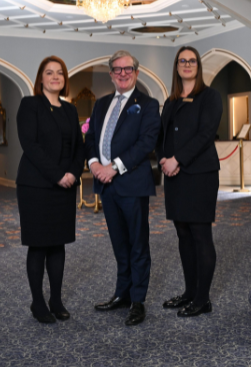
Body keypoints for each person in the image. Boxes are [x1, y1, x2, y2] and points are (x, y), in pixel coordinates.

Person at [85, 50, 160, 326]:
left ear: (136, 73)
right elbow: (91, 137)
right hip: (106, 187)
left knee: (137, 245)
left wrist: (113, 167)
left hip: (131, 184)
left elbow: (146, 143)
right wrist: (94, 164)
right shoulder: (101, 103)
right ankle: (123, 294)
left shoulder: (148, 104)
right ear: (111, 75)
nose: (123, 74)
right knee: (119, 244)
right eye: (117, 70)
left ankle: (138, 301)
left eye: (128, 69)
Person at [16, 56, 85, 324]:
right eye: (49, 72)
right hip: (36, 186)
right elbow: (30, 145)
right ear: (41, 78)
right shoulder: (30, 105)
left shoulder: (70, 110)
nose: (55, 77)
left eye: (60, 73)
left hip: (65, 186)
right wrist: (57, 175)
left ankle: (56, 300)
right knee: (39, 245)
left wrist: (73, 173)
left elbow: (78, 147)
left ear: (65, 79)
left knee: (58, 245)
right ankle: (38, 302)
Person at [157, 46, 222, 317]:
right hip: (174, 176)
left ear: (198, 65)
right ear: (177, 66)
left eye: (192, 61)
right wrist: (163, 159)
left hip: (199, 175)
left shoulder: (210, 96)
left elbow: (205, 134)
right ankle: (189, 292)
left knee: (200, 234)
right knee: (183, 234)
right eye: (182, 60)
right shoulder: (171, 100)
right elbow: (162, 135)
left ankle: (202, 299)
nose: (187, 64)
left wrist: (177, 160)